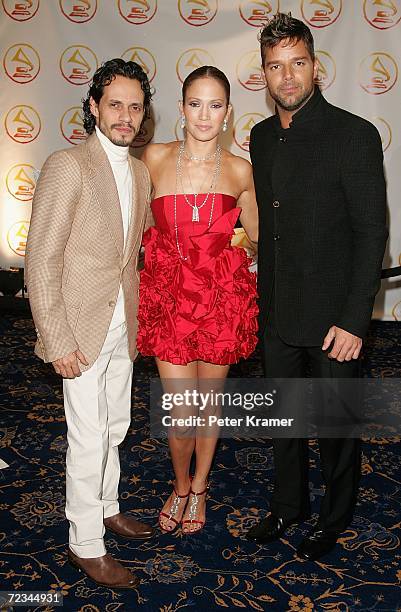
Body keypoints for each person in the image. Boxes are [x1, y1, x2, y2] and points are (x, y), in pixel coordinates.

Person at [246, 13, 388, 560]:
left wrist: (356, 319)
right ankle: (288, 507)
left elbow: (371, 229)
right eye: (275, 67)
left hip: (335, 318)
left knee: (334, 426)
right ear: (264, 74)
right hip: (279, 310)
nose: (287, 77)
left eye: (297, 64)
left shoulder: (354, 135)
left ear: (315, 67)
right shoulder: (259, 138)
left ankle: (334, 515)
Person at [25, 58, 155, 589]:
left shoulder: (141, 171)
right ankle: (85, 541)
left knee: (115, 425)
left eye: (134, 106)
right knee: (87, 436)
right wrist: (56, 338)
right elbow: (41, 260)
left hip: (121, 322)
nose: (125, 115)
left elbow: (133, 255)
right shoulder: (67, 165)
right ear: (95, 107)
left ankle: (106, 505)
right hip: (77, 327)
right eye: (115, 104)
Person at [137, 66, 258, 534]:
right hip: (170, 300)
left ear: (228, 113)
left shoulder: (240, 170)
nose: (204, 115)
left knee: (209, 403)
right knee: (180, 409)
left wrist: (237, 245)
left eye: (214, 105)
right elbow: (138, 226)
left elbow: (256, 238)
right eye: (195, 104)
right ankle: (179, 484)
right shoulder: (154, 159)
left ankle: (200, 487)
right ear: (182, 108)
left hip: (219, 300)